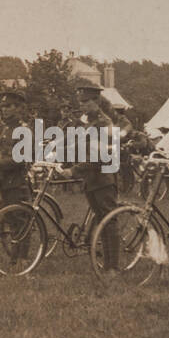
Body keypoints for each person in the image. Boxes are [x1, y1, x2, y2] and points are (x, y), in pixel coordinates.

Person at [69, 80, 118, 270]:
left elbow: (98, 158)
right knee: (101, 222)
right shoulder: (89, 124)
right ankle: (107, 264)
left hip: (104, 180)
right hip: (92, 180)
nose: (82, 106)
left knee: (109, 222)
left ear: (97, 102)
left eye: (86, 102)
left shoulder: (104, 123)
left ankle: (112, 266)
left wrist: (73, 170)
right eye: (80, 102)